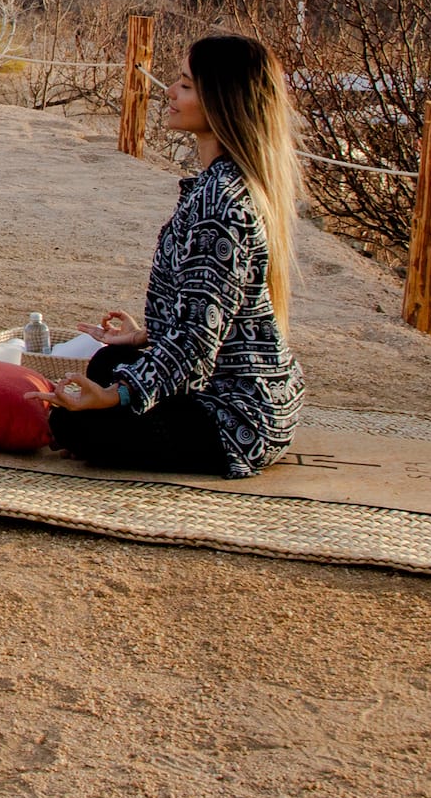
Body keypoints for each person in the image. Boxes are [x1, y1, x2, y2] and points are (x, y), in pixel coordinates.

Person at [48, 32, 304, 477]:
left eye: (185, 85)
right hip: (226, 389)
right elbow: (214, 316)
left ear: (221, 102)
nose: (169, 91)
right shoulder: (218, 186)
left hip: (234, 419)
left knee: (74, 422)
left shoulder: (220, 205)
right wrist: (146, 335)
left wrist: (111, 398)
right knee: (109, 362)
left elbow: (198, 344)